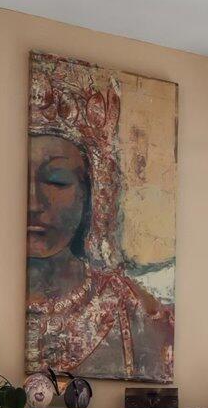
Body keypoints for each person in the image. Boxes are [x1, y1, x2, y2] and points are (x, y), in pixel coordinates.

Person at [26, 56, 174, 380]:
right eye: (22, 183)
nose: (34, 203)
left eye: (56, 181)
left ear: (93, 192)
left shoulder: (137, 311)